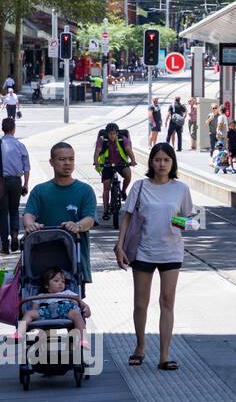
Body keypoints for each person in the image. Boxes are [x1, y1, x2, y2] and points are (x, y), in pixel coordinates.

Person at [114, 143, 198, 371]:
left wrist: (177, 220)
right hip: (143, 250)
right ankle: (140, 347)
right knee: (140, 303)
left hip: (171, 251)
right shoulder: (140, 187)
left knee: (167, 301)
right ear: (151, 162)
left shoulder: (181, 189)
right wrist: (119, 245)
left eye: (166, 160)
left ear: (173, 163)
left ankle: (164, 355)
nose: (162, 164)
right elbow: (127, 218)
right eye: (158, 159)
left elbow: (195, 221)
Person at [23, 142, 97, 292]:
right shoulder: (40, 190)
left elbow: (89, 219)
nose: (67, 163)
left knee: (73, 305)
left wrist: (77, 225)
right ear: (51, 162)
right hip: (42, 263)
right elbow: (28, 214)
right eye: (62, 159)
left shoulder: (85, 190)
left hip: (74, 262)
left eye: (71, 159)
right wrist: (30, 224)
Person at [14, 267, 87, 349]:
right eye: (56, 281)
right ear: (46, 285)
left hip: (65, 311)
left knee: (76, 313)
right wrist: (33, 315)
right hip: (47, 312)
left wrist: (86, 308)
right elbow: (34, 309)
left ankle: (83, 339)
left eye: (63, 281)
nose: (60, 283)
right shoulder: (41, 296)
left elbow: (80, 303)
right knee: (29, 313)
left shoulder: (68, 293)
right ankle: (19, 332)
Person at [0, 116, 29, 254]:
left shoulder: (0, 144)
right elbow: (26, 167)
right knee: (14, 210)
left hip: (1, 182)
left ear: (2, 129)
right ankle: (15, 235)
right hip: (16, 181)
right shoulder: (20, 145)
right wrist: (26, 184)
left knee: (2, 213)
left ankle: (4, 245)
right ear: (13, 129)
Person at [94, 122, 137, 210]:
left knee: (128, 175)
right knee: (106, 186)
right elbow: (97, 152)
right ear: (107, 134)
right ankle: (106, 208)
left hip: (121, 163)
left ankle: (123, 191)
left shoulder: (122, 139)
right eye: (110, 134)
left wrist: (133, 161)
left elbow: (129, 150)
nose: (112, 136)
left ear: (117, 133)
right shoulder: (102, 140)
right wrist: (96, 162)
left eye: (114, 133)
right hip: (106, 164)